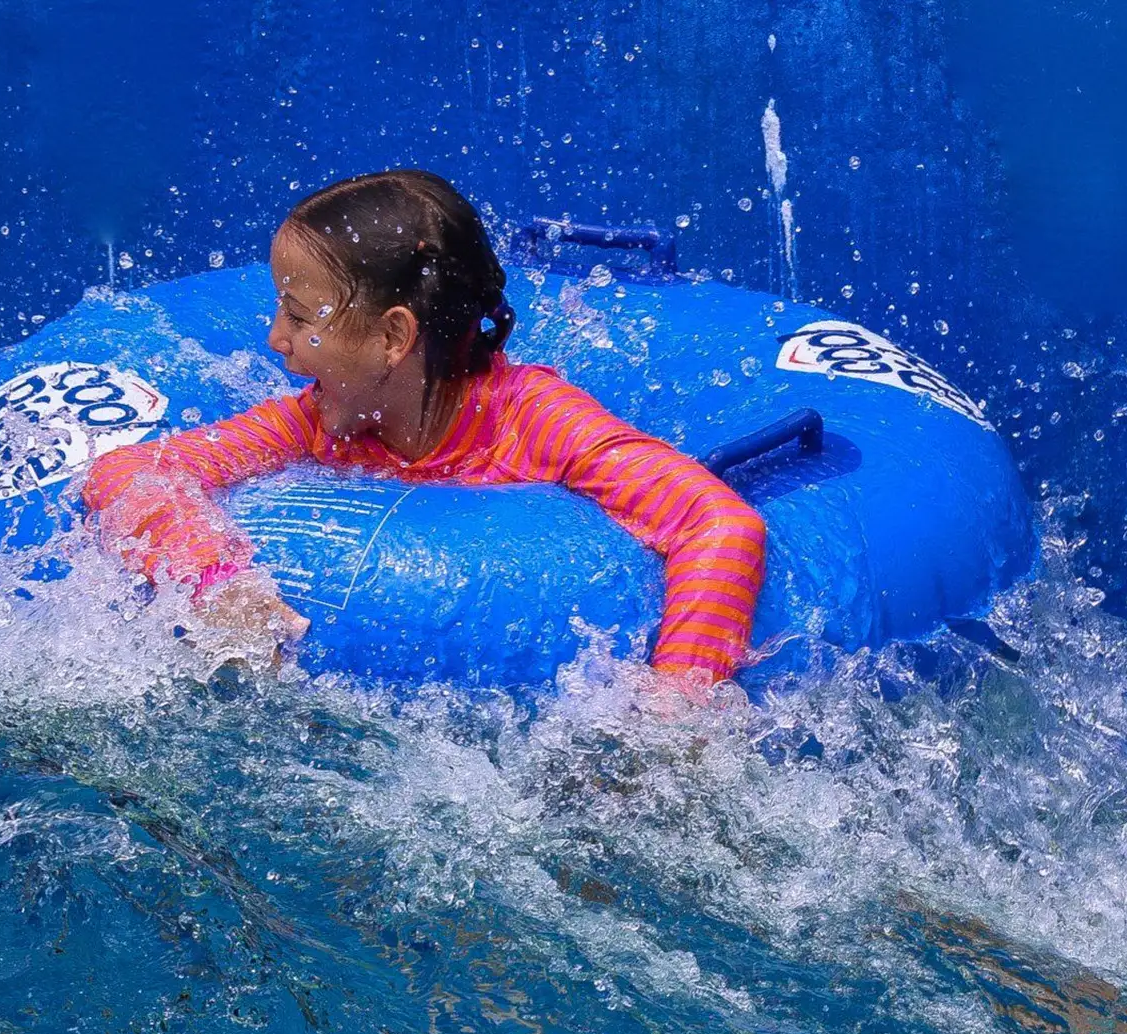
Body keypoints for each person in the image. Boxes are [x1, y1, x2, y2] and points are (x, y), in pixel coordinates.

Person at [82, 169, 769, 685]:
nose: (274, 340)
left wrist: (673, 712)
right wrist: (219, 582)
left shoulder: (533, 418)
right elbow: (129, 470)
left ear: (392, 336)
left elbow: (717, 526)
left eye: (297, 316)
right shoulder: (320, 420)